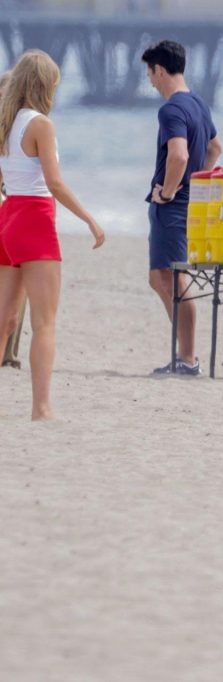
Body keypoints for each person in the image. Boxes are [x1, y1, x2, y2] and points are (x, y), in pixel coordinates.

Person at [0, 50, 105, 420]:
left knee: (5, 320)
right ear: (44, 85)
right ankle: (41, 408)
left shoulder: (6, 123)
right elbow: (54, 182)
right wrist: (89, 218)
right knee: (44, 322)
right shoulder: (41, 125)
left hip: (8, 216)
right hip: (34, 218)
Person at [141, 40, 222, 376]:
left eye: (150, 73)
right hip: (189, 201)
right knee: (159, 276)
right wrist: (197, 182)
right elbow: (215, 148)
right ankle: (184, 354)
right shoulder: (198, 104)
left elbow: (179, 155)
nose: (150, 81)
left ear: (160, 69)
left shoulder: (172, 109)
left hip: (173, 205)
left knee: (174, 279)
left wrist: (170, 190)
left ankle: (187, 359)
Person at [1, 68, 28, 370]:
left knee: (19, 284)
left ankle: (10, 351)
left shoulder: (22, 125)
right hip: (10, 207)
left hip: (18, 208)